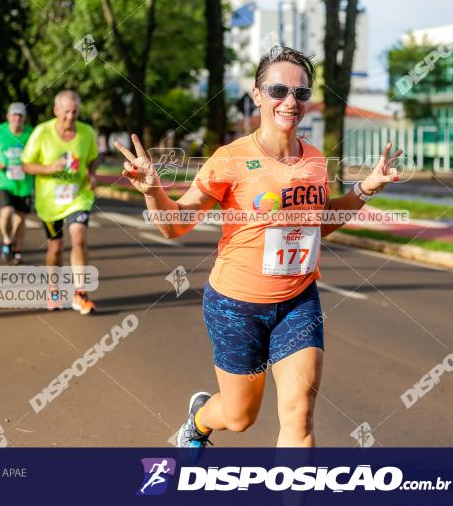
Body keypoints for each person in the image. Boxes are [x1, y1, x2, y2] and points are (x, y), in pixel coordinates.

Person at [114, 47, 402, 447]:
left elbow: (317, 223)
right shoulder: (229, 158)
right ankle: (199, 420)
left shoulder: (315, 160)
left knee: (299, 415)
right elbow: (174, 227)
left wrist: (365, 189)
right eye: (279, 90)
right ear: (257, 95)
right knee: (240, 416)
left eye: (301, 94)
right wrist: (153, 191)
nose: (290, 102)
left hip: (298, 301)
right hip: (236, 304)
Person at [22, 90, 99, 314]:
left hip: (78, 197)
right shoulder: (42, 132)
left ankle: (80, 294)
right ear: (56, 111)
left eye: (74, 112)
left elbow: (93, 158)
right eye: (66, 112)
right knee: (55, 248)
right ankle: (53, 290)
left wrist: (92, 174)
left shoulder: (87, 133)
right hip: (49, 202)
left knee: (79, 238)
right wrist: (48, 168)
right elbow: (26, 164)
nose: (70, 117)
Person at [0, 102, 34, 264]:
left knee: (21, 219)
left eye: (20, 115)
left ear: (24, 118)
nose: (17, 118)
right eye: (14, 115)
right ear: (8, 116)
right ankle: (7, 240)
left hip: (25, 183)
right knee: (6, 213)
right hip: (4, 181)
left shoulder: (31, 134)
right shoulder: (0, 131)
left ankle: (17, 249)